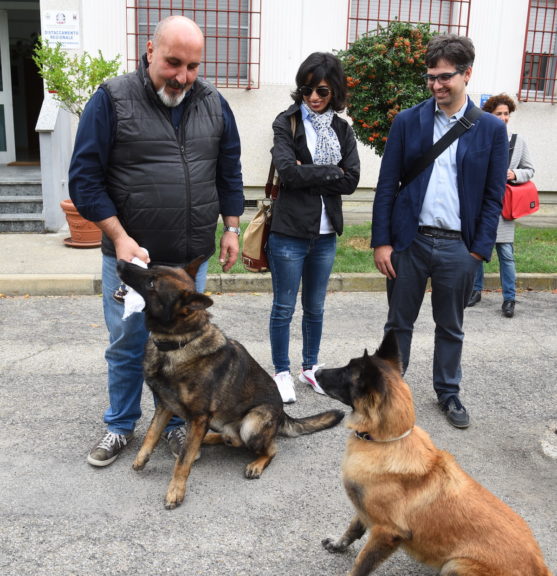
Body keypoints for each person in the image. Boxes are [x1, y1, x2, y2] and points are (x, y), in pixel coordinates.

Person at [68, 15, 244, 467]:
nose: (183, 77)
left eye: (192, 66)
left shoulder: (214, 103)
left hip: (190, 259)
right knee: (128, 345)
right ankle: (120, 426)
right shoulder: (110, 99)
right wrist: (120, 237)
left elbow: (229, 170)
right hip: (134, 262)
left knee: (185, 350)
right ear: (150, 50)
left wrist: (231, 226)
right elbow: (85, 180)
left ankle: (175, 425)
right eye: (173, 63)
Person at [371, 34, 508, 428]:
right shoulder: (407, 121)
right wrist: (382, 241)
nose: (435, 85)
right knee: (398, 324)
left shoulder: (489, 130)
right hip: (408, 243)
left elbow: (492, 196)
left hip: (458, 248)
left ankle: (448, 393)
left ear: (467, 74)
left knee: (451, 326)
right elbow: (387, 186)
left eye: (445, 77)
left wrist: (479, 252)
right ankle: (390, 393)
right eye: (430, 77)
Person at [267, 52, 360, 403]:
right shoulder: (286, 122)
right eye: (306, 89)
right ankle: (281, 371)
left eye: (321, 90)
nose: (313, 97)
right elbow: (287, 171)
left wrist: (313, 171)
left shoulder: (341, 128)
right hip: (289, 233)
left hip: (324, 235)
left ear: (334, 90)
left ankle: (311, 368)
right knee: (284, 307)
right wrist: (329, 171)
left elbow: (351, 180)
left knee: (316, 307)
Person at [467, 93, 535, 318]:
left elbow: (529, 169)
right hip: (482, 205)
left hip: (504, 208)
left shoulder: (517, 141)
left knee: (506, 253)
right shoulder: (480, 137)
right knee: (477, 251)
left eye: (507, 114)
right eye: (499, 114)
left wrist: (514, 173)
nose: (504, 118)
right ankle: (475, 291)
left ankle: (509, 298)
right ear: (489, 116)